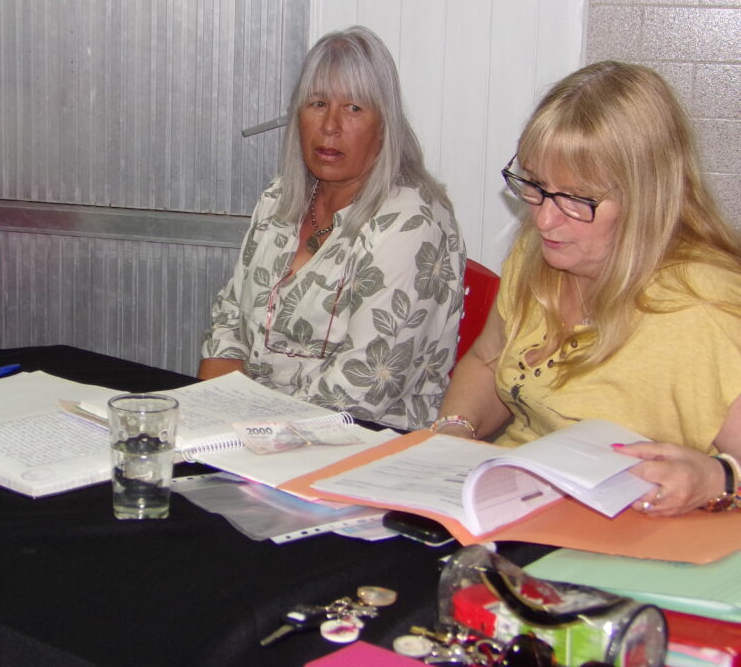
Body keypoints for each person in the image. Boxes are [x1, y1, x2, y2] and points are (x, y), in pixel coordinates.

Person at [436, 60, 741, 516]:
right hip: (522, 505)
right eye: (536, 185)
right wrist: (454, 432)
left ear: (647, 198)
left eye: (577, 199)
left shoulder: (707, 309)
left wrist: (718, 478)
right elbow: (487, 360)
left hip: (633, 529)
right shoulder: (538, 258)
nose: (544, 220)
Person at [199, 26, 465, 430]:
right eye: (318, 103)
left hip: (362, 439)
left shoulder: (412, 222)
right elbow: (229, 319)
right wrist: (217, 413)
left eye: (354, 108)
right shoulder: (279, 197)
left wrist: (249, 431)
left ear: (385, 125)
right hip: (253, 431)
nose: (330, 126)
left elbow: (361, 388)